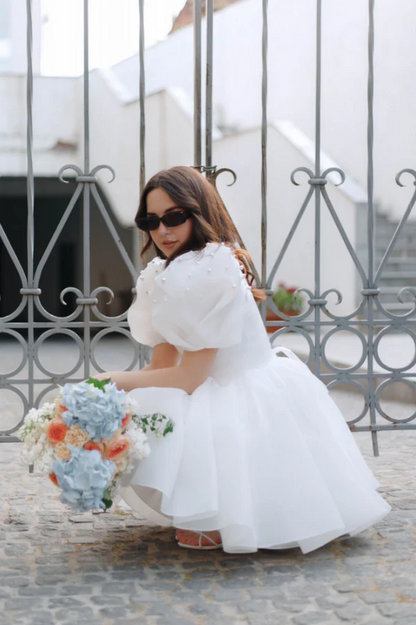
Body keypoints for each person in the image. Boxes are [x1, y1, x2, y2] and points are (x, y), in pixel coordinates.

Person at [98, 165, 390, 553]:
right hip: (205, 384)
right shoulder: (161, 272)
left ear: (197, 213)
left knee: (199, 410)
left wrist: (114, 379)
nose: (162, 231)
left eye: (174, 217)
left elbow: (190, 378)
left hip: (239, 387)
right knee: (145, 399)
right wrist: (108, 396)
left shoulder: (212, 265)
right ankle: (201, 506)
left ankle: (229, 513)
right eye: (151, 221)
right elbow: (160, 367)